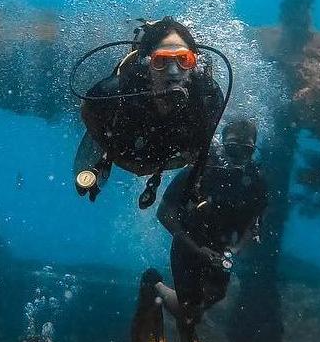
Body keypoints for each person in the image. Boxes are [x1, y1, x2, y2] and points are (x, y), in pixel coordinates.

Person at [132, 117, 268, 342]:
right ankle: (156, 287)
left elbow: (254, 225)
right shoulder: (199, 170)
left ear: (253, 150)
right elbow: (165, 213)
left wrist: (233, 251)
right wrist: (196, 249)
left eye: (246, 150)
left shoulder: (256, 180)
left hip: (221, 251)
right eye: (232, 148)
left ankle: (161, 291)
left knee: (214, 296)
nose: (239, 156)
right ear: (222, 145)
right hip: (188, 245)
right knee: (190, 310)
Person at [73, 17, 226, 209]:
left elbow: (205, 139)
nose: (173, 71)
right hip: (122, 147)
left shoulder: (208, 97)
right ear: (147, 65)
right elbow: (88, 110)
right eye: (161, 61)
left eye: (183, 60)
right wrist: (109, 147)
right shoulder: (116, 91)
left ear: (194, 65)